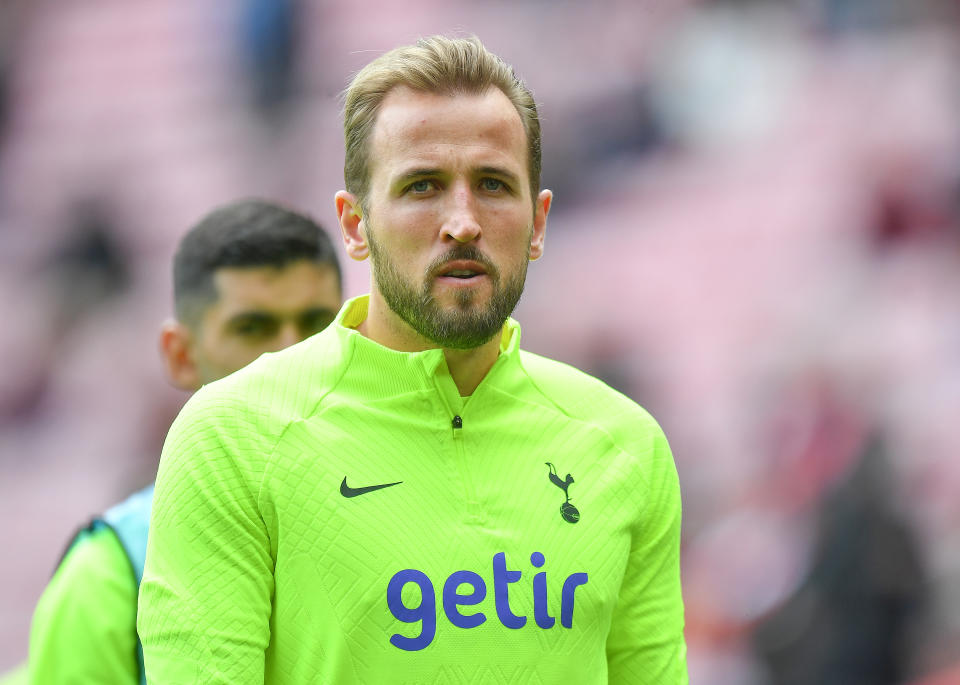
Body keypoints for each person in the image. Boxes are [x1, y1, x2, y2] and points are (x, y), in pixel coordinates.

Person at [139, 35, 687, 684]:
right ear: (354, 225)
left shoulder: (625, 446)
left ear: (538, 223)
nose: (462, 221)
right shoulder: (232, 439)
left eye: (492, 184)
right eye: (423, 186)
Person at [26, 199, 344, 685]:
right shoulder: (113, 574)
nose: (291, 356)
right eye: (252, 328)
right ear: (181, 356)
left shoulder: (416, 513)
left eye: (317, 325)